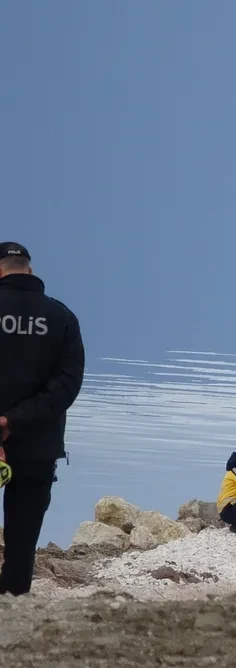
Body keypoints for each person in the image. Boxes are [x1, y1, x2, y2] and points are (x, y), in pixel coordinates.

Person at [0, 242, 85, 596]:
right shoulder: (62, 317)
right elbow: (66, 386)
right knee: (22, 537)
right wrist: (13, 420)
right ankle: (13, 610)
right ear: (30, 271)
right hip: (37, 445)